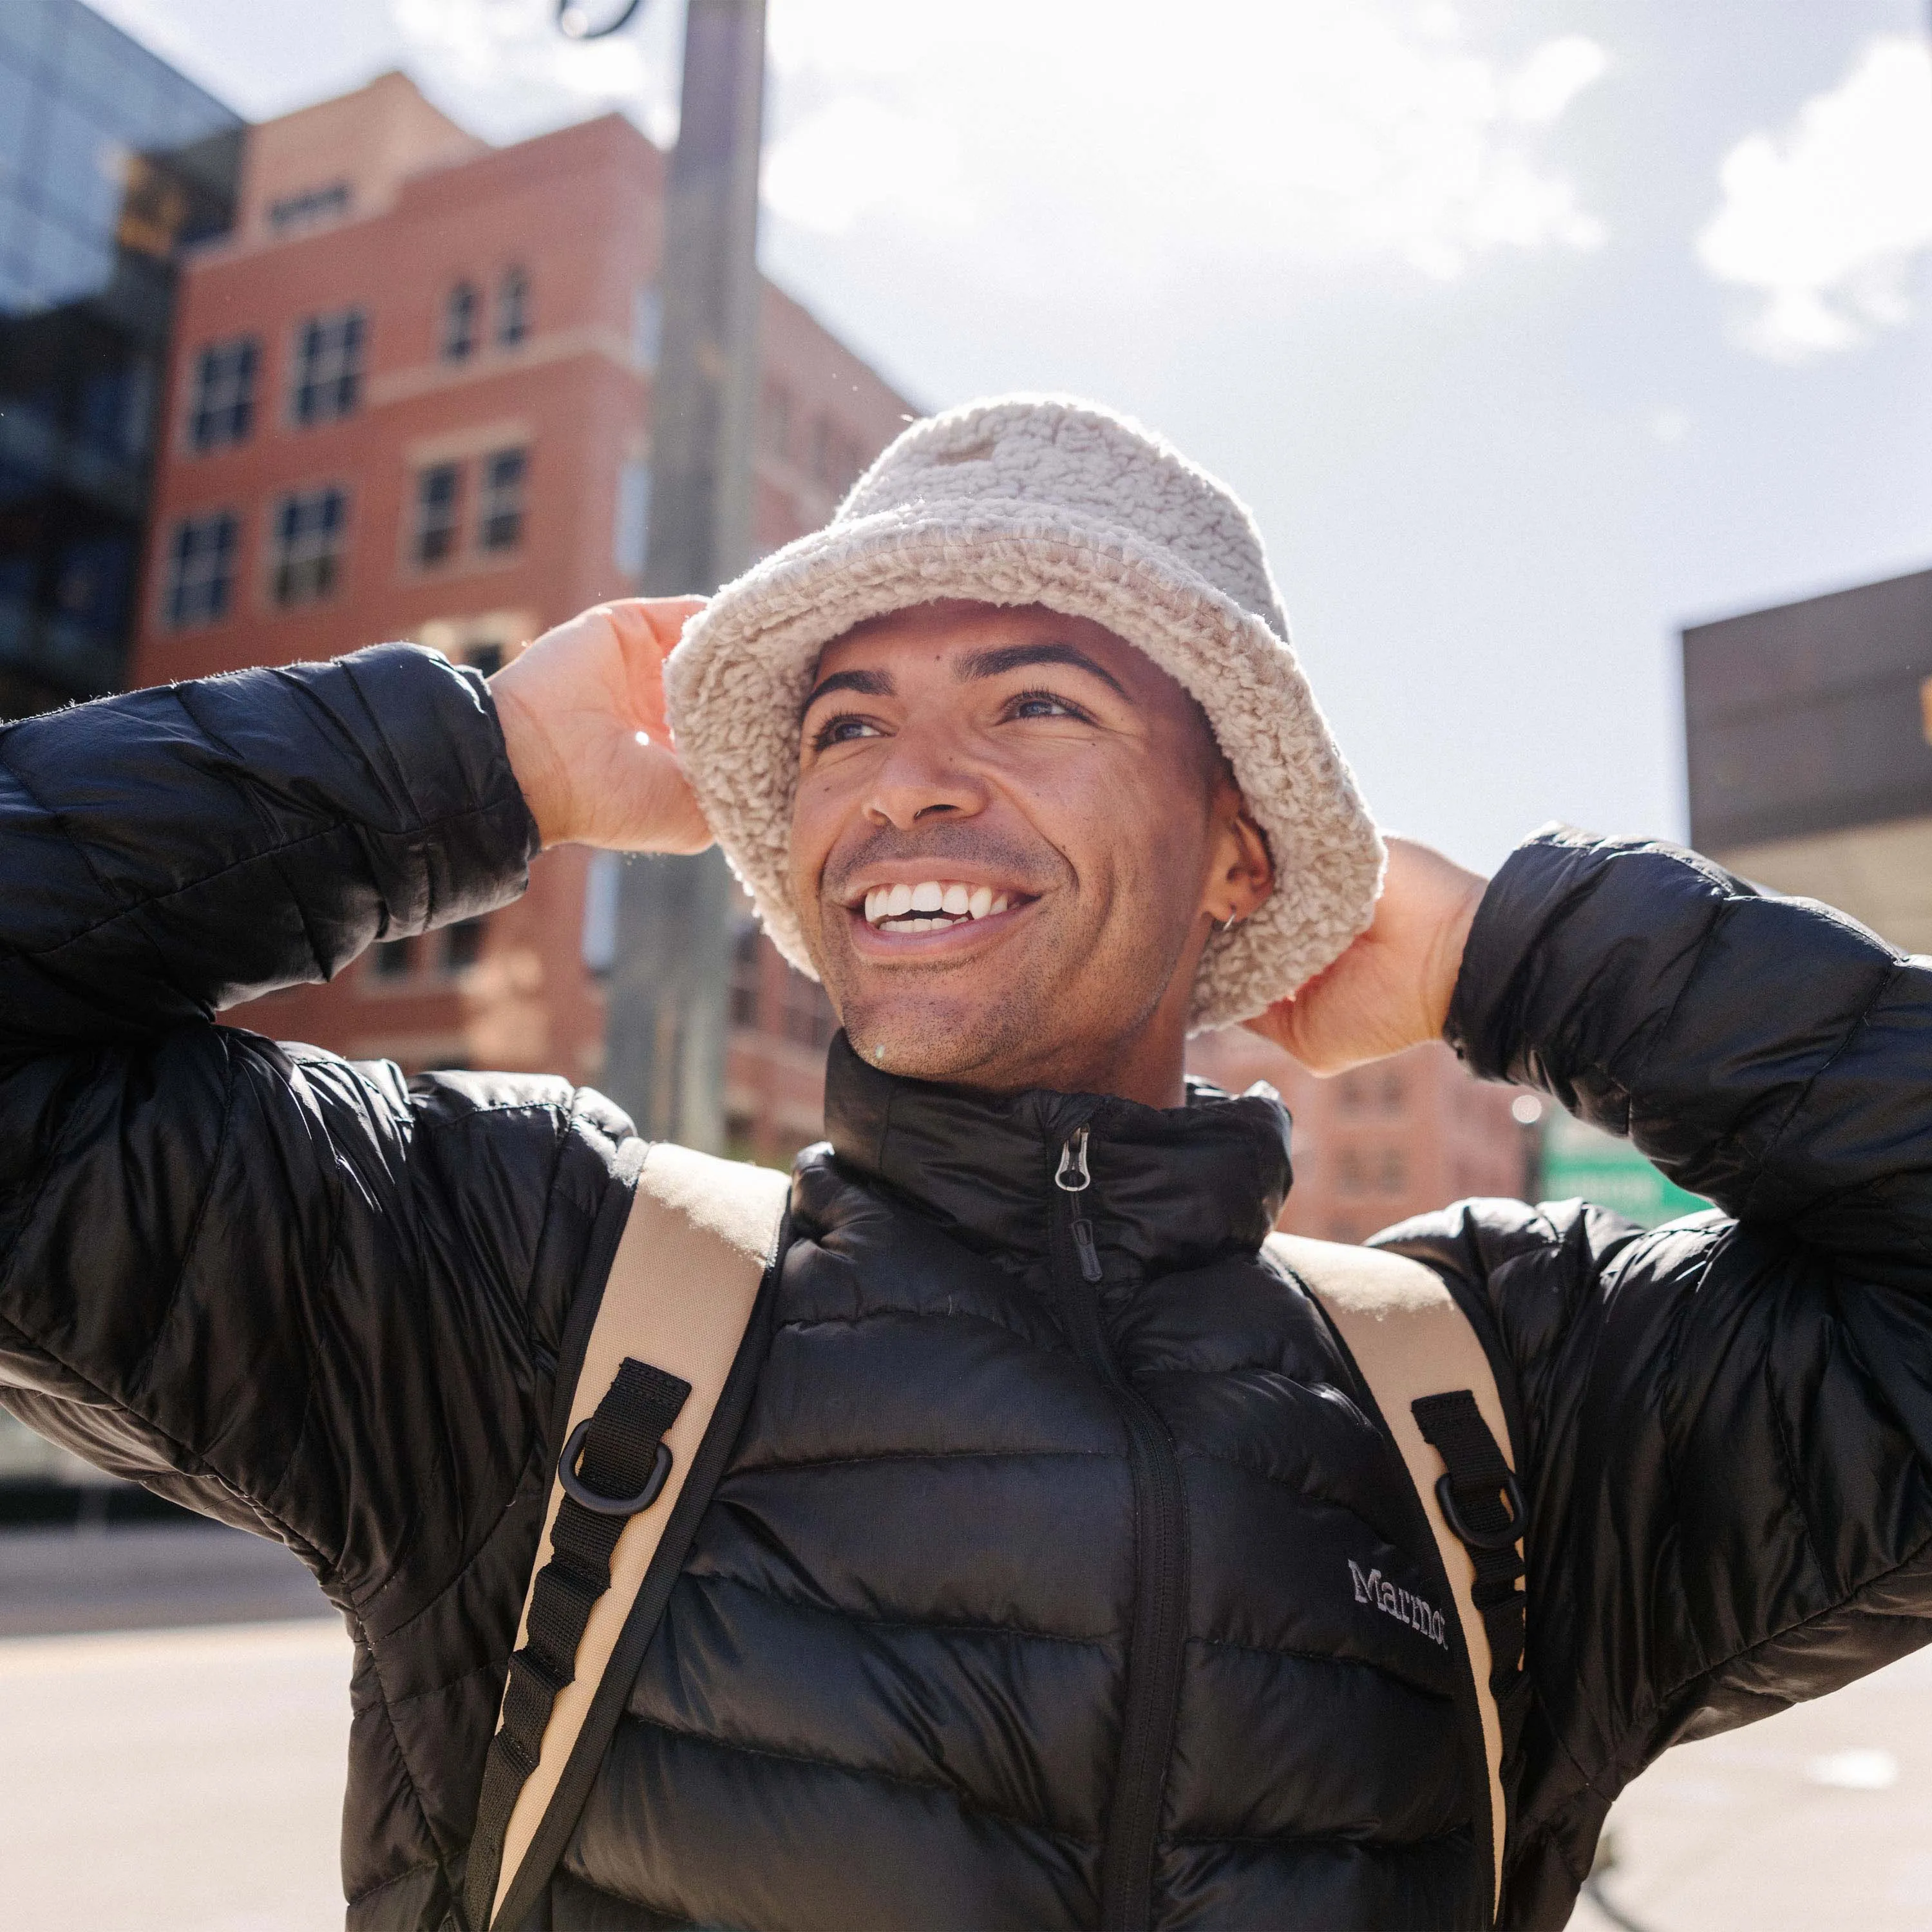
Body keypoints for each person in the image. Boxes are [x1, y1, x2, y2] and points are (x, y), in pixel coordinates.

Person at [1, 395, 1927, 1932]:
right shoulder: (525, 1286)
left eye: (1033, 701)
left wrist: (1528, 958)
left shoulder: (1505, 1409)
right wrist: (472, 761)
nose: (905, 783)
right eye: (845, 726)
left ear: (1240, 855)